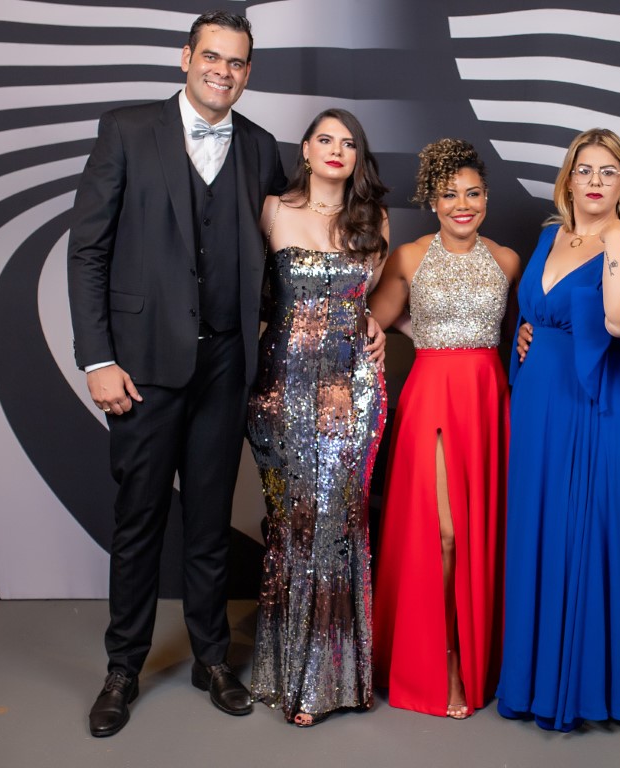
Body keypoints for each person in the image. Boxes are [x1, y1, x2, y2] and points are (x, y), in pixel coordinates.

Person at [67, 10, 286, 738]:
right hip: (141, 367)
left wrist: (360, 318)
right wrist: (98, 358)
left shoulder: (260, 148)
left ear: (248, 72)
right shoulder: (127, 131)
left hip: (225, 364)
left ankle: (211, 659)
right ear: (186, 57)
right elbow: (88, 250)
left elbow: (283, 254)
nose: (223, 71)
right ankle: (122, 668)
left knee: (209, 522)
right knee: (139, 523)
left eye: (237, 62)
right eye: (212, 57)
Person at [495, 128, 620, 732]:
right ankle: (535, 678)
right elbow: (535, 307)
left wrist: (613, 237)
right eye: (585, 170)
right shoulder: (548, 236)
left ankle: (587, 687)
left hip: (601, 405)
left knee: (592, 533)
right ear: (568, 179)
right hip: (540, 406)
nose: (596, 181)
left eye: (610, 171)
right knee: (541, 533)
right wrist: (527, 331)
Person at [246, 108, 389, 728]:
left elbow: (367, 303)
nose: (336, 149)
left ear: (357, 157)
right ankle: (287, 671)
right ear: (305, 150)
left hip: (349, 395)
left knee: (339, 525)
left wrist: (376, 321)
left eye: (348, 142)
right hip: (282, 390)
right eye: (325, 139)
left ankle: (332, 681)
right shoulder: (272, 211)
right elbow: (251, 298)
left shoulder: (374, 220)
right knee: (294, 525)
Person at [369, 139, 520, 719]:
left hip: (486, 399)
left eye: (473, 193)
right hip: (431, 396)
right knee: (443, 534)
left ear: (487, 198)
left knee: (482, 533)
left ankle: (479, 654)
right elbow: (373, 321)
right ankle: (443, 660)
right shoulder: (409, 256)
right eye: (450, 194)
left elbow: (532, 320)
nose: (463, 205)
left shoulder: (507, 259)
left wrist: (528, 334)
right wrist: (418, 330)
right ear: (433, 201)